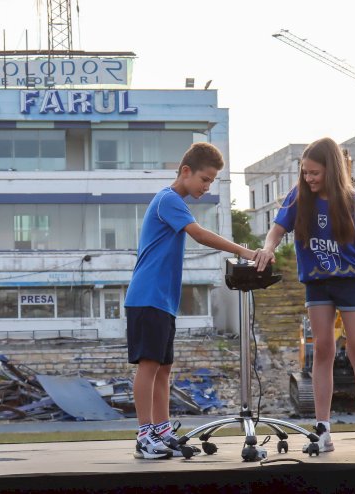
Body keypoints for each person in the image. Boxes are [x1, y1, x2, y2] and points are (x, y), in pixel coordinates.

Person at [254, 137, 355, 453]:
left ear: (331, 170)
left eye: (314, 173)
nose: (308, 179)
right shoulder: (299, 198)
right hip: (317, 282)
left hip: (351, 280)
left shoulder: (354, 201)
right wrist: (267, 248)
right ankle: (323, 431)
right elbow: (276, 230)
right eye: (304, 173)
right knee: (322, 350)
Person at [124, 142, 258, 459]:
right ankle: (145, 435)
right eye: (205, 179)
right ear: (186, 171)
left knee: (164, 368)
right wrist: (243, 250)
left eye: (212, 181)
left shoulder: (174, 202)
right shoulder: (168, 199)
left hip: (163, 301)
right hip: (148, 297)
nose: (207, 186)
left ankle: (162, 430)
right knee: (149, 366)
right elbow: (198, 234)